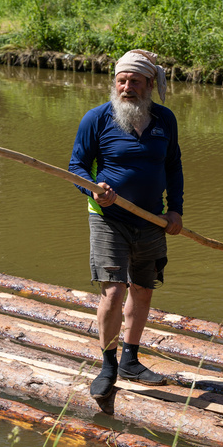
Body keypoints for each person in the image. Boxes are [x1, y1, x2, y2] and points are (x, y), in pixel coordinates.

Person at [69, 49, 184, 401]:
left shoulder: (165, 120)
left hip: (151, 219)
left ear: (150, 84)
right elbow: (76, 166)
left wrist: (176, 211)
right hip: (108, 217)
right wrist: (93, 189)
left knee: (143, 289)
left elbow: (174, 167)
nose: (126, 87)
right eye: (121, 80)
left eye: (135, 81)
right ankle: (108, 365)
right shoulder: (97, 118)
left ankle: (132, 359)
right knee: (113, 291)